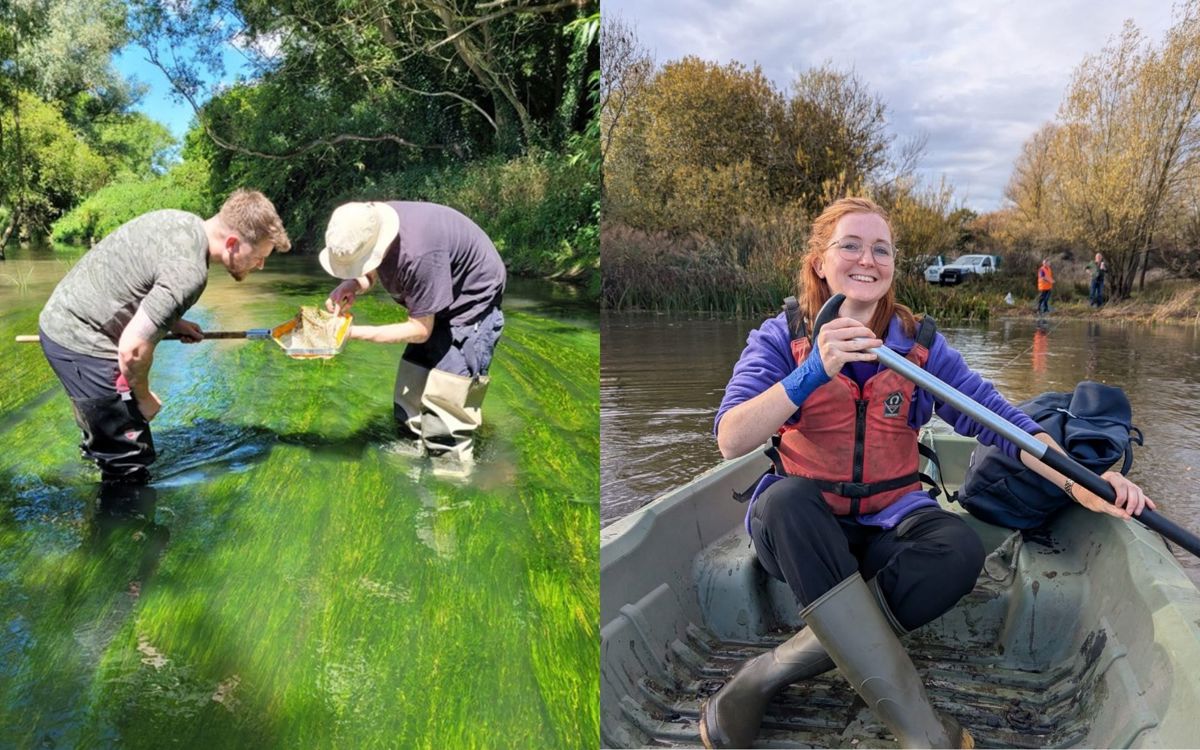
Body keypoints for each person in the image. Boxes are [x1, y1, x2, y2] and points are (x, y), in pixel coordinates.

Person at [699, 197, 1154, 749]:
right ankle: (919, 729)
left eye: (881, 249)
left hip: (887, 531)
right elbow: (731, 438)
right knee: (784, 500)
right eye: (850, 245)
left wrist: (1080, 479)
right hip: (802, 537)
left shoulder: (918, 345)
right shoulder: (780, 337)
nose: (867, 259)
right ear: (820, 260)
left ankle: (764, 675)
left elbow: (1001, 424)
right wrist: (813, 372)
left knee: (958, 548)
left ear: (892, 263)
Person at [37, 190, 291, 485]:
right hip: (81, 340)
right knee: (129, 463)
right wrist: (142, 397)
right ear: (233, 244)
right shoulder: (190, 273)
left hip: (63, 317)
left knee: (106, 440)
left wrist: (172, 321)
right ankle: (120, 526)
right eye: (259, 257)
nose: (260, 266)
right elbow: (132, 350)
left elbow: (136, 278)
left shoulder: (182, 221)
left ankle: (97, 456)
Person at [321, 201, 506, 472]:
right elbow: (372, 268)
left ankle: (452, 477)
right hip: (432, 297)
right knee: (410, 387)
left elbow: (420, 331)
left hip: (470, 302)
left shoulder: (419, 254)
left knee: (446, 411)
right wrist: (352, 283)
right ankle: (414, 442)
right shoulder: (370, 224)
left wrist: (353, 333)